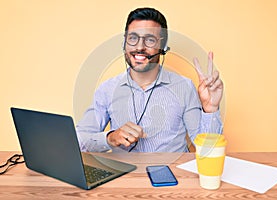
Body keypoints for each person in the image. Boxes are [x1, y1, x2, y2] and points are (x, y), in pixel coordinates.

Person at [76, 7, 224, 152]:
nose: (140, 47)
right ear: (124, 43)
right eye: (133, 38)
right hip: (126, 175)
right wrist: (110, 138)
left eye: (150, 40)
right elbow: (80, 139)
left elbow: (207, 150)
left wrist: (210, 110)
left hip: (172, 173)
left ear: (163, 46)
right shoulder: (107, 89)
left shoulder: (184, 86)